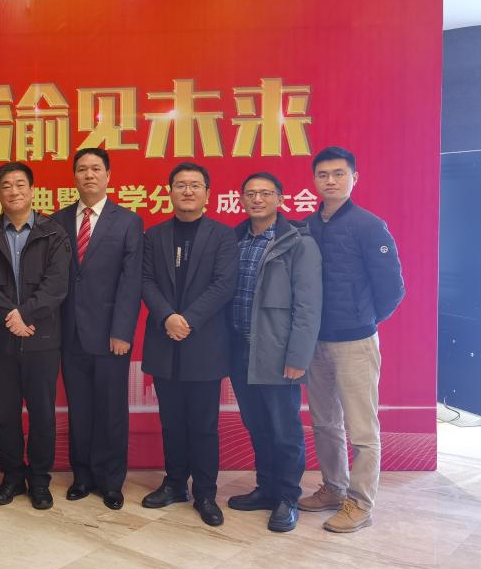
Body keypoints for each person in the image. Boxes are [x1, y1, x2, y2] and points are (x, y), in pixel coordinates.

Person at [298, 146, 404, 533]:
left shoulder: (369, 226)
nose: (331, 180)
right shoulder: (307, 226)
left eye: (339, 174)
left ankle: (360, 503)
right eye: (323, 174)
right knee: (325, 423)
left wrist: (365, 320)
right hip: (316, 342)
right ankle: (334, 487)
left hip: (355, 343)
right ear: (314, 180)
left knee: (361, 429)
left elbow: (392, 288)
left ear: (354, 178)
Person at [140, 162, 238, 527]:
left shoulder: (223, 235)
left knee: (203, 424)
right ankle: (175, 484)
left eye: (195, 185)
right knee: (172, 422)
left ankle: (206, 492)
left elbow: (224, 285)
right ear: (170, 192)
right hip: (165, 341)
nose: (187, 191)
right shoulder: (154, 235)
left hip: (204, 343)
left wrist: (188, 320)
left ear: (207, 194)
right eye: (180, 185)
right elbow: (145, 280)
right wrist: (168, 316)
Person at [226, 172, 322, 533]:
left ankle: (287, 498)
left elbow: (308, 306)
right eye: (250, 193)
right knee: (257, 424)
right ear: (241, 199)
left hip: (277, 351)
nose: (257, 199)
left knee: (284, 429)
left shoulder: (298, 243)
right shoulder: (235, 239)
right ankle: (265, 489)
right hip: (240, 349)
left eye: (265, 193)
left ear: (280, 200)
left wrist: (298, 357)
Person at [52, 148, 143, 510]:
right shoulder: (57, 220)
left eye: (95, 169)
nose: (88, 175)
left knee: (111, 410)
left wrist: (122, 331)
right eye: (81, 169)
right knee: (80, 410)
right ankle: (83, 476)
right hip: (69, 333)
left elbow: (131, 281)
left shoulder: (128, 221)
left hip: (109, 336)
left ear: (108, 176)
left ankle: (111, 481)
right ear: (74, 177)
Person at [0, 162, 70, 510]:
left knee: (42, 414)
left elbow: (57, 284)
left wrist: (26, 315)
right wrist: (11, 317)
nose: (14, 191)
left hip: (42, 339)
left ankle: (40, 479)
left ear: (32, 191)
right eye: (7, 186)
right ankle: (12, 477)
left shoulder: (53, 233)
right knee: (5, 414)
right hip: (2, 340)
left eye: (20, 184)